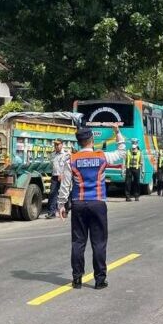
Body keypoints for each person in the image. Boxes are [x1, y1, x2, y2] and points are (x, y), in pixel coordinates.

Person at [57, 124, 126, 290]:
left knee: (78, 242)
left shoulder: (71, 159)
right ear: (91, 140)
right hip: (98, 203)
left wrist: (61, 205)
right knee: (99, 242)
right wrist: (117, 133)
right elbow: (122, 153)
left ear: (79, 142)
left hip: (79, 204)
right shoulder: (102, 156)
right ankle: (100, 280)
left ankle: (77, 279)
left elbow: (65, 185)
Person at [46, 139, 70, 219]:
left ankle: (65, 211)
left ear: (62, 145)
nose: (56, 146)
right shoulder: (53, 154)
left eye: (58, 144)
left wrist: (62, 174)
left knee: (64, 194)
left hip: (63, 176)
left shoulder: (66, 154)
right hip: (55, 176)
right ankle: (51, 212)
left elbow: (67, 166)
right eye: (55, 145)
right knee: (52, 193)